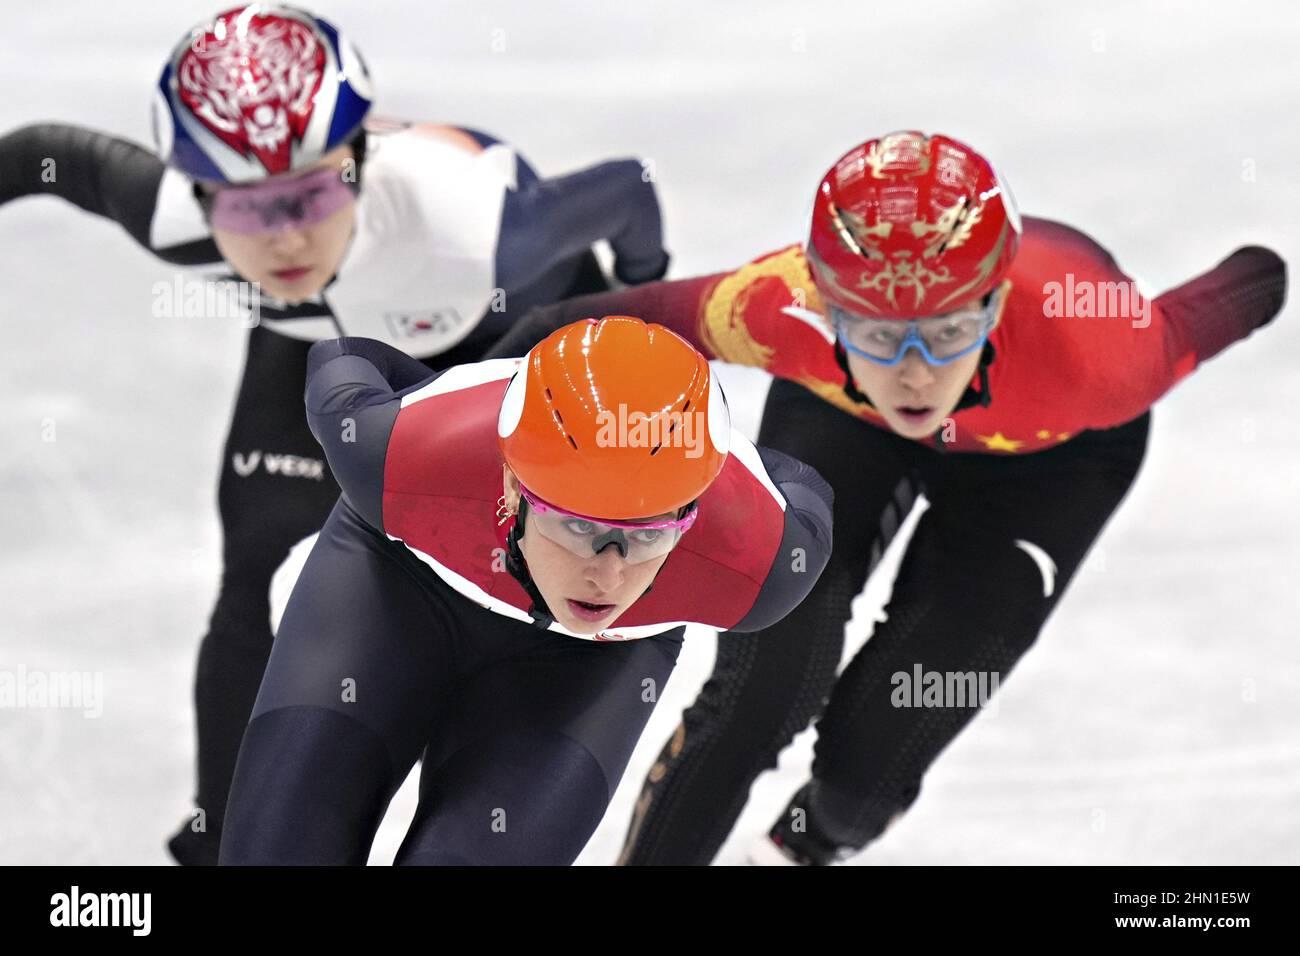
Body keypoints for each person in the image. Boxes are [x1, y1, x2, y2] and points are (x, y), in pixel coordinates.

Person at [481, 130, 1288, 864]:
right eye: (873, 330)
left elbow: (1236, 294)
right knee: (765, 686)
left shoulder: (1103, 352)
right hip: (843, 413)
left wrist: (1265, 270)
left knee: (873, 763)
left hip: (1051, 464)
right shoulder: (774, 304)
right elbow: (571, 328)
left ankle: (805, 844)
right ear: (823, 305)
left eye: (944, 332)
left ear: (997, 304)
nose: (912, 371)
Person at [0, 2, 671, 864]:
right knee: (258, 569)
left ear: (358, 160)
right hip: (321, 340)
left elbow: (631, 194)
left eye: (312, 194)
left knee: (511, 575)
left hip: (496, 333)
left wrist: (648, 315)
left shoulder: (479, 229)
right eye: (246, 211)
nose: (285, 238)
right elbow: (42, 159)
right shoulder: (174, 219)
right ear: (199, 196)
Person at [218, 315, 834, 864]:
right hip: (400, 584)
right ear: (512, 487)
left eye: (648, 536)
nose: (609, 575)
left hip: (585, 665)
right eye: (578, 526)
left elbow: (804, 479)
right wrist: (448, 387)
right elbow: (346, 354)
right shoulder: (398, 454)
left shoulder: (761, 564)